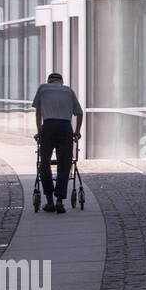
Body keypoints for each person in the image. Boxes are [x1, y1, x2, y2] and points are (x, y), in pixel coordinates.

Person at [32, 72, 83, 214]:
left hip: (48, 127)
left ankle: (49, 201)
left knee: (44, 163)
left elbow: (38, 113)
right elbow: (79, 113)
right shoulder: (69, 91)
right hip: (66, 128)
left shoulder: (43, 88)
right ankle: (60, 200)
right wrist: (77, 131)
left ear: (49, 81)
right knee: (64, 164)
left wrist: (39, 131)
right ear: (61, 82)